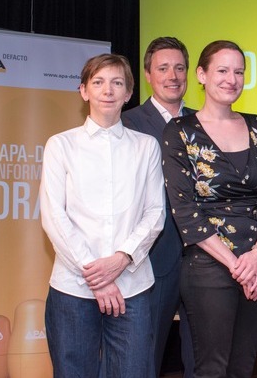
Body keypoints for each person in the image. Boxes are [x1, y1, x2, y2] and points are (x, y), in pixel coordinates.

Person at [161, 40, 257, 378]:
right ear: (202, 75)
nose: (232, 79)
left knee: (244, 365)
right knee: (212, 368)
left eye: (239, 72)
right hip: (209, 265)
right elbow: (184, 210)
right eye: (222, 70)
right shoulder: (180, 131)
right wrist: (236, 266)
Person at [40, 53, 165, 377]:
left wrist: (121, 259)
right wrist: (96, 276)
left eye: (117, 83)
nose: (107, 90)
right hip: (73, 289)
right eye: (98, 82)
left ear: (128, 93)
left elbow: (155, 213)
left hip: (132, 286)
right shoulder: (60, 145)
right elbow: (54, 217)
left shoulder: (147, 147)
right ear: (84, 91)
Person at [121, 36, 195, 378]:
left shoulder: (205, 122)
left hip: (204, 257)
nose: (173, 76)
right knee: (143, 357)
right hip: (152, 259)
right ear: (148, 75)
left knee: (205, 356)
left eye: (179, 68)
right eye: (163, 68)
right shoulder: (128, 123)